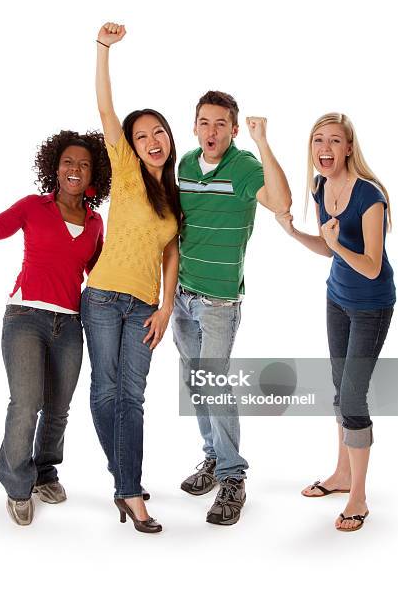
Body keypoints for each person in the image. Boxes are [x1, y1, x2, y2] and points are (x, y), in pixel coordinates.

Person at [0, 130, 110, 526]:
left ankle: (44, 473)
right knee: (26, 405)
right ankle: (17, 484)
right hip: (25, 318)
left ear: (93, 175)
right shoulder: (33, 207)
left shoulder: (94, 223)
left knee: (58, 411)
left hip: (70, 325)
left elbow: (100, 274)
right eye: (68, 162)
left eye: (83, 164)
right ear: (55, 168)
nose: (75, 169)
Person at [173, 90, 291, 525]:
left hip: (220, 301)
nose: (212, 131)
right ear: (195, 126)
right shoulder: (184, 165)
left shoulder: (244, 167)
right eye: (205, 122)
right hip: (182, 297)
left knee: (213, 383)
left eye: (221, 123)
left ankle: (233, 476)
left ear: (234, 129)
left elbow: (281, 203)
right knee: (196, 383)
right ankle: (213, 458)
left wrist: (263, 143)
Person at [81, 22, 180, 534]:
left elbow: (171, 254)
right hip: (100, 297)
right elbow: (105, 108)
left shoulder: (176, 195)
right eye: (141, 136)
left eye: (157, 132)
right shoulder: (124, 168)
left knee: (131, 396)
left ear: (168, 136)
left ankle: (125, 483)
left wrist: (165, 306)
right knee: (105, 391)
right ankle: (129, 487)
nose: (150, 141)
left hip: (143, 305)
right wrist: (102, 49)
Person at [276, 112, 395, 531]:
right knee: (339, 388)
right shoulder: (321, 186)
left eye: (334, 141)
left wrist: (331, 242)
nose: (324, 149)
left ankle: (359, 496)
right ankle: (342, 474)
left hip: (371, 305)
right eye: (317, 141)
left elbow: (371, 265)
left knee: (353, 397)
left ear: (349, 148)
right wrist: (295, 233)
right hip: (337, 299)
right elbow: (329, 250)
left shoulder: (370, 197)